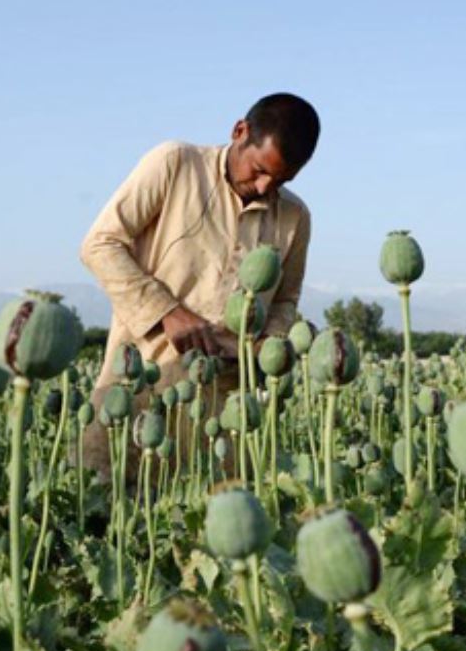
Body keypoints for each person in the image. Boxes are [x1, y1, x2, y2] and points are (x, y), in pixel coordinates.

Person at [79, 92, 319, 473]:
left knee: (201, 515)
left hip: (223, 410)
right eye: (258, 169)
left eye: (280, 179)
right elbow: (100, 245)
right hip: (136, 386)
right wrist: (168, 313)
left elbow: (285, 301)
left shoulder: (294, 217)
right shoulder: (176, 164)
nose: (263, 187)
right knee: (106, 505)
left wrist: (261, 349)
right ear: (240, 131)